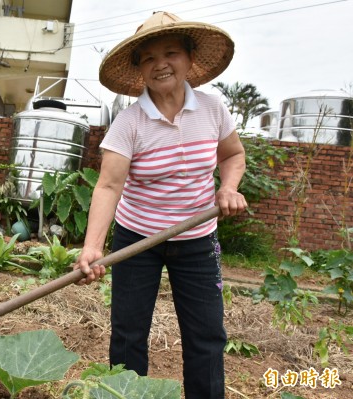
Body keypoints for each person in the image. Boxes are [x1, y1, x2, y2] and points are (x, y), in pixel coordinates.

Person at [74, 11, 247, 399]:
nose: (160, 64)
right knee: (129, 333)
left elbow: (233, 156)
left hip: (198, 239)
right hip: (137, 240)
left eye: (170, 52)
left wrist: (228, 188)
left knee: (206, 334)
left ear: (188, 59)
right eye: (149, 58)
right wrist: (92, 248)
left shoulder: (212, 109)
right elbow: (108, 186)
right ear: (139, 70)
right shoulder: (130, 123)